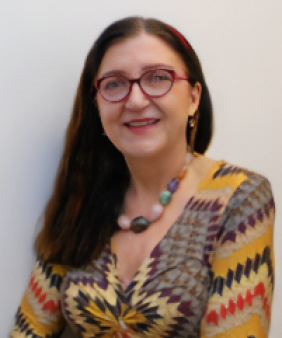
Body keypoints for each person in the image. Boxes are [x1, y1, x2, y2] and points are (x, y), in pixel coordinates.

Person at [9, 16, 275, 338]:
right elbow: (29, 329)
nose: (135, 100)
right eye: (115, 83)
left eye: (158, 78)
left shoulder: (238, 196)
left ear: (193, 98)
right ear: (96, 104)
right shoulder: (84, 198)